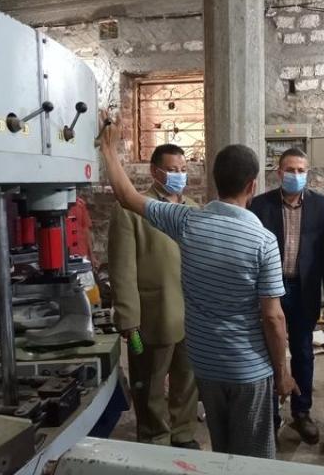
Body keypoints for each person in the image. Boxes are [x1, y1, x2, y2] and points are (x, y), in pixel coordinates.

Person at [100, 118, 298, 459]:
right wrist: (282, 373)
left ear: (213, 180)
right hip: (246, 367)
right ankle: (158, 437)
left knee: (221, 449)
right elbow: (273, 318)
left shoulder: (188, 219)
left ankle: (183, 436)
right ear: (252, 185)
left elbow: (126, 195)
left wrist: (108, 149)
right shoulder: (263, 241)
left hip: (206, 364)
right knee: (252, 457)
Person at [108, 143, 199, 449]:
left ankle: (183, 433)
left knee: (187, 379)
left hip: (191, 313)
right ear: (154, 171)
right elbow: (122, 268)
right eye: (172, 170)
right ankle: (154, 436)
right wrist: (127, 317)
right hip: (152, 314)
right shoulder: (132, 210)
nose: (179, 175)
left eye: (183, 169)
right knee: (149, 383)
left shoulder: (192, 208)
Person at [250, 148, 324, 445]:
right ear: (279, 173)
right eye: (290, 170)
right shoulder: (260, 205)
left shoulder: (321, 205)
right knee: (270, 351)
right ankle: (271, 415)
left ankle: (302, 411)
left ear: (308, 173)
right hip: (270, 290)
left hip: (304, 290)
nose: (296, 175)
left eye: (301, 170)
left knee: (303, 351)